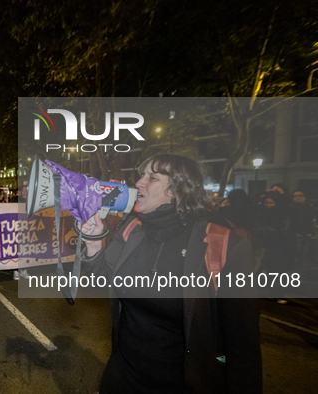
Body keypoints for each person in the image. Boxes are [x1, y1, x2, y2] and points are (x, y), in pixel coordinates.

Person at [81, 154, 262, 393]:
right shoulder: (132, 229)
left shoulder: (224, 244)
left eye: (152, 177)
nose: (140, 183)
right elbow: (102, 283)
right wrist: (94, 243)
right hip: (123, 377)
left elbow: (242, 345)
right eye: (141, 176)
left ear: (178, 189)